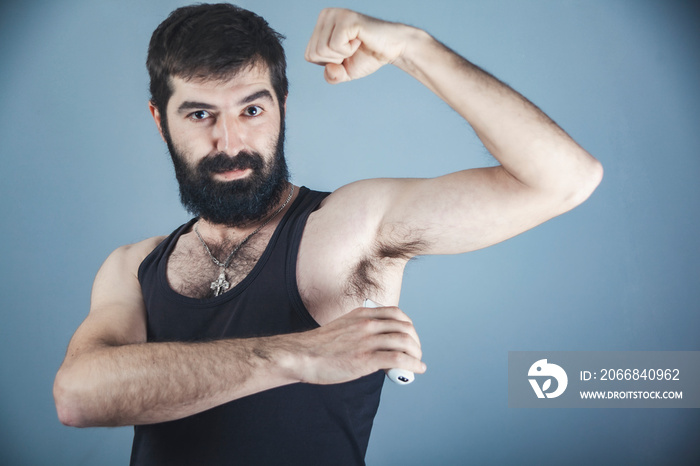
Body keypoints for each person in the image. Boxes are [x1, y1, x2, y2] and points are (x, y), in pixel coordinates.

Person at [53, 3, 602, 465]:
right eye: (199, 114)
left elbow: (565, 180)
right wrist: (298, 355)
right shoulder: (133, 265)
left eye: (251, 108)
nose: (230, 140)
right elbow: (78, 397)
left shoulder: (350, 227)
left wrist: (413, 48)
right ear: (159, 120)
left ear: (283, 106)